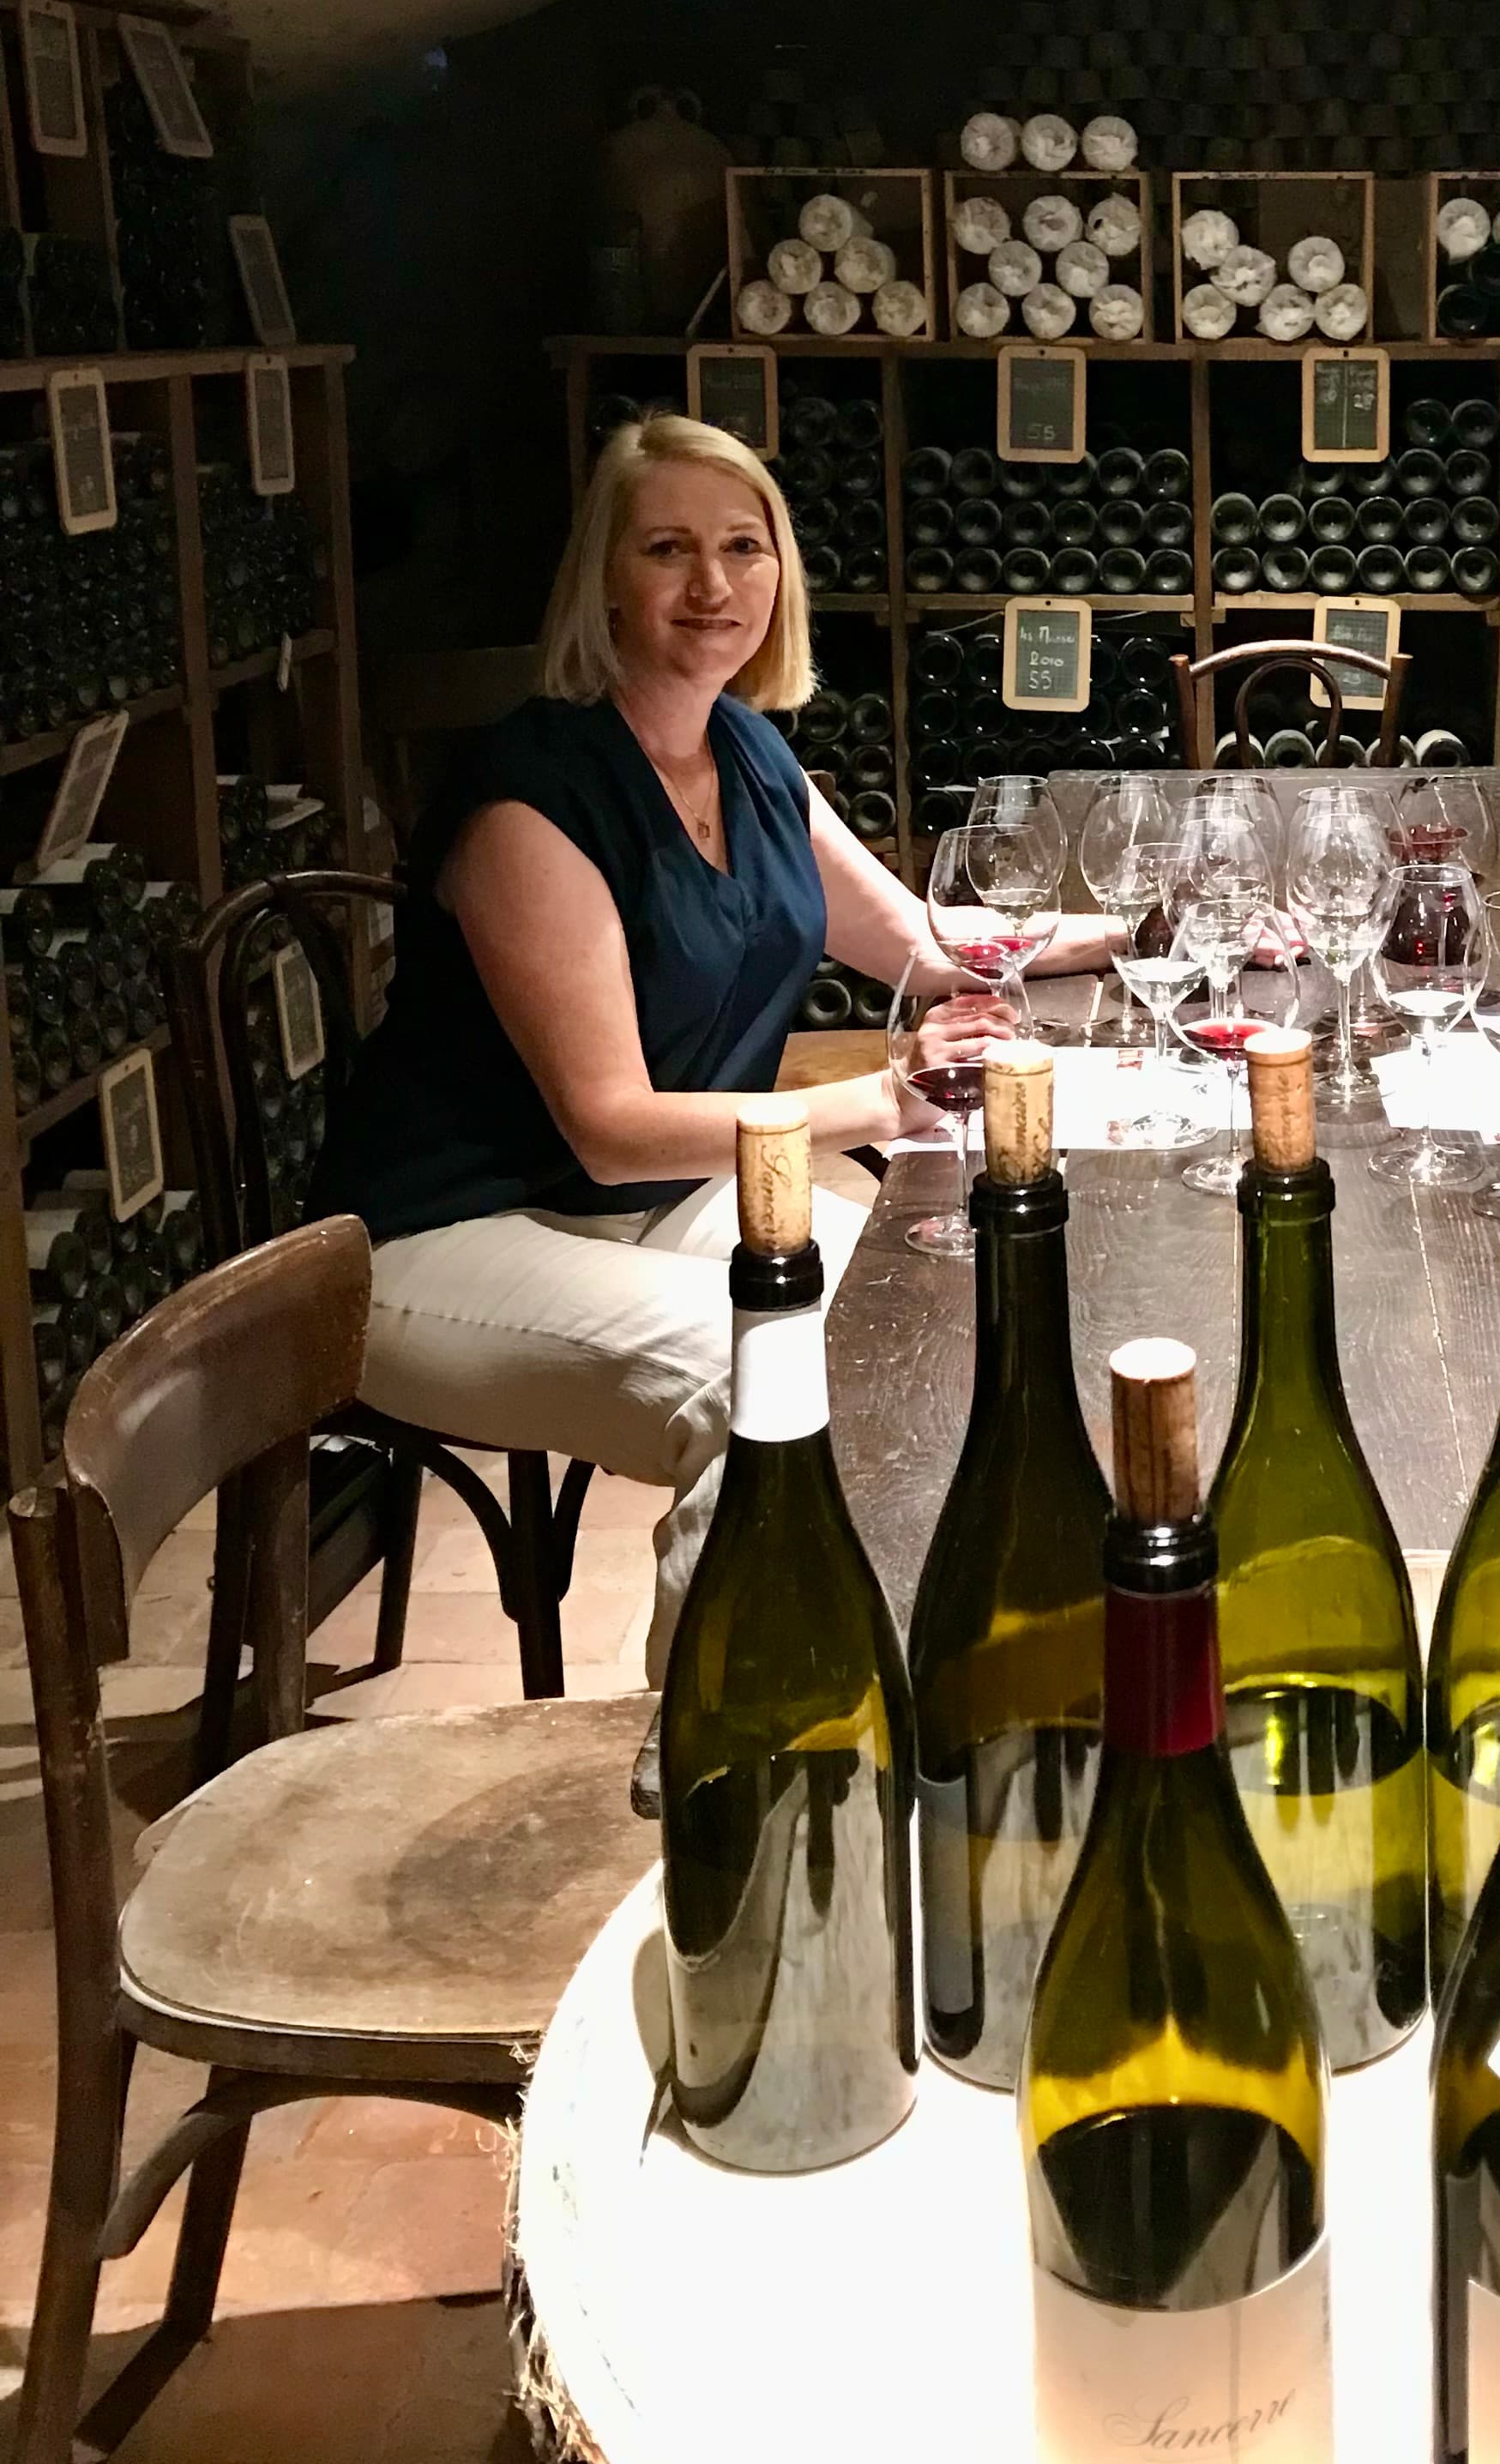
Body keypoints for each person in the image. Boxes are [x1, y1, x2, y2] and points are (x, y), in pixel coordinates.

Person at [314, 411, 1111, 1672]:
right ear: (606, 584)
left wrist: (1148, 928)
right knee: (768, 1390)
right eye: (668, 548)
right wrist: (882, 1098)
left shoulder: (745, 750)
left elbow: (921, 942)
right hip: (446, 1234)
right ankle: (711, 1762)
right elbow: (613, 1128)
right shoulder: (533, 797)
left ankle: (907, 1671)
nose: (713, 585)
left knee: (934, 1308)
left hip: (656, 1201)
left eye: (745, 546)